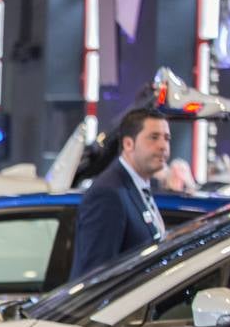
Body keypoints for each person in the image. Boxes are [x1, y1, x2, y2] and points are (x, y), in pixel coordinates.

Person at [69, 107, 170, 281]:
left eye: (167, 138)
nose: (163, 146)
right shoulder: (108, 193)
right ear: (128, 144)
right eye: (153, 137)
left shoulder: (139, 186)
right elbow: (95, 275)